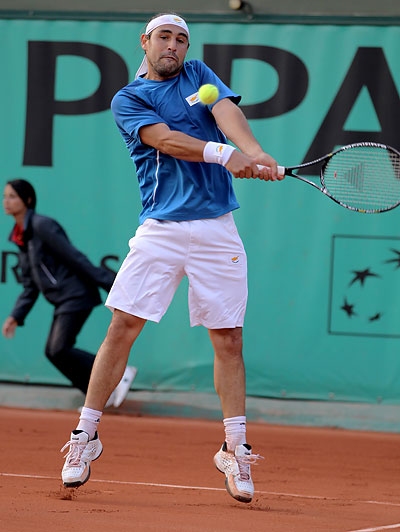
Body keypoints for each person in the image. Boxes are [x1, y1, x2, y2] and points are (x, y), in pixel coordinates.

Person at [60, 12, 284, 502]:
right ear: (144, 41)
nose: (174, 46)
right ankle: (85, 435)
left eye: (182, 39)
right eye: (164, 37)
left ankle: (235, 448)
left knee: (229, 339)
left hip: (217, 228)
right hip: (161, 229)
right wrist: (226, 156)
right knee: (123, 326)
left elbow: (223, 111)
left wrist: (254, 151)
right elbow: (164, 140)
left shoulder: (199, 74)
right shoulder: (129, 98)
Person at [2, 179, 137, 408]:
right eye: (5, 196)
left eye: (12, 196)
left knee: (58, 349)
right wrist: (16, 315)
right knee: (54, 352)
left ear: (28, 200)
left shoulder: (42, 226)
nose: (6, 201)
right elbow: (30, 285)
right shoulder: (21, 237)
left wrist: (112, 286)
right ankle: (100, 396)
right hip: (63, 298)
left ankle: (119, 372)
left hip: (76, 294)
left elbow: (74, 257)